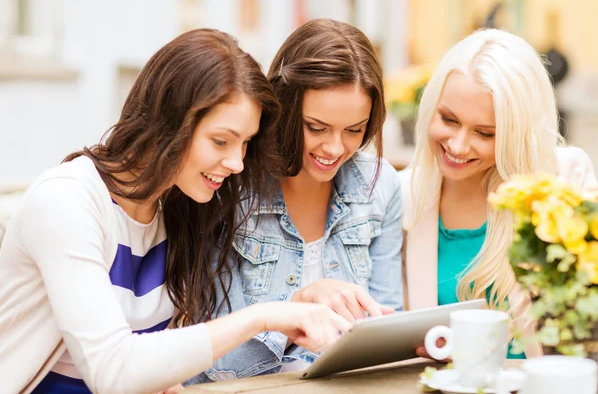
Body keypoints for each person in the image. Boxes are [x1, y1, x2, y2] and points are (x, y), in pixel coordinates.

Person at [0, 29, 352, 394]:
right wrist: (263, 316)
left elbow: (156, 362)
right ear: (167, 122)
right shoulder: (67, 201)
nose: (236, 162)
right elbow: (113, 371)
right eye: (221, 140)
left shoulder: (177, 207)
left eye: (245, 143)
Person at [187, 19, 403, 383]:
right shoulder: (228, 185)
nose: (335, 148)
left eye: (354, 130)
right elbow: (217, 363)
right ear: (284, 109)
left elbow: (388, 329)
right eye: (316, 128)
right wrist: (298, 307)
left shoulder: (379, 187)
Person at [399, 28, 597, 359]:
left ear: (516, 134)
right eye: (449, 119)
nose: (459, 146)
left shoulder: (564, 181)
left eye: (485, 133)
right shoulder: (405, 194)